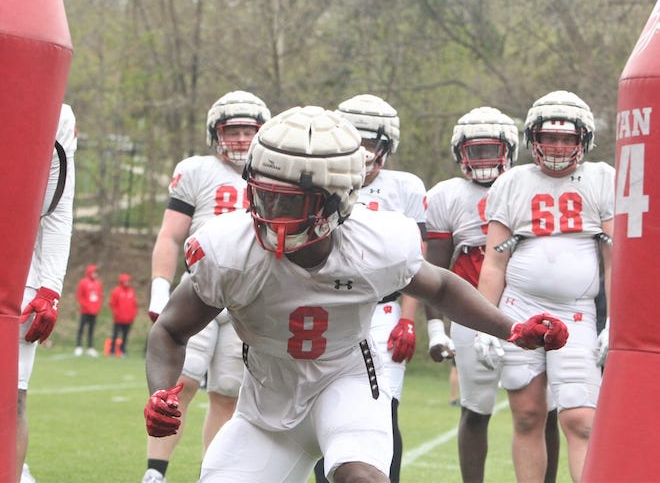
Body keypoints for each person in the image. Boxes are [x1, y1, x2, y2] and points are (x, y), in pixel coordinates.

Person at [143, 105, 569, 483]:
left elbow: (440, 285)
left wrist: (509, 327)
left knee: (360, 476)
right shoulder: (228, 249)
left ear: (335, 203)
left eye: (288, 202)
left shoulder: (374, 244)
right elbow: (170, 331)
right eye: (264, 195)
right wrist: (161, 392)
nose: (270, 214)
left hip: (346, 384)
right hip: (265, 408)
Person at [477, 91, 613, 482]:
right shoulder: (512, 182)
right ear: (532, 138)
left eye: (567, 139)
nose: (557, 146)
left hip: (577, 311)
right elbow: (495, 260)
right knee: (527, 415)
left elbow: (613, 259)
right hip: (520, 307)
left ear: (583, 140)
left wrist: (614, 320)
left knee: (582, 418)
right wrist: (489, 324)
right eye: (549, 137)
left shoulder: (602, 179)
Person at [425, 106, 560, 483]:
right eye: (476, 150)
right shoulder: (446, 195)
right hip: (471, 314)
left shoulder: (530, 184)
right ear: (460, 153)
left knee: (542, 410)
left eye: (492, 150)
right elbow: (433, 270)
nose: (484, 159)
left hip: (526, 307)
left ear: (511, 149)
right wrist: (436, 328)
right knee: (475, 408)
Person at [143, 90, 271, 483]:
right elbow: (170, 235)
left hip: (250, 295)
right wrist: (159, 291)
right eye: (232, 130)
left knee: (229, 396)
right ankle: (155, 473)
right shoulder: (196, 170)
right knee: (178, 386)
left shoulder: (274, 171)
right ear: (215, 133)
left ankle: (211, 475)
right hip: (198, 287)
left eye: (249, 130)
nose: (240, 139)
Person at [312, 93, 427, 483]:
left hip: (383, 308)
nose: (362, 151)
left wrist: (408, 320)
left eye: (370, 142)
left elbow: (418, 263)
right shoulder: (320, 178)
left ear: (387, 145)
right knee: (321, 405)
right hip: (330, 306)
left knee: (384, 408)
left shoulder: (406, 186)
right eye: (353, 140)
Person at [18, 103, 76, 483]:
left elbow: (57, 208)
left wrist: (51, 287)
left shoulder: (56, 113)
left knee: (11, 395)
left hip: (18, 267)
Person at [74, 264, 102, 357]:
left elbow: (99, 297)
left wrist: (97, 307)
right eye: (94, 272)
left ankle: (90, 347)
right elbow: (80, 296)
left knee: (91, 330)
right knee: (81, 328)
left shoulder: (98, 283)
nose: (95, 274)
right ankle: (78, 346)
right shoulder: (83, 282)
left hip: (94, 311)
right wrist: (86, 306)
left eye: (96, 272)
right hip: (85, 311)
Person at [108, 273, 138, 357]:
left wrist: (133, 315)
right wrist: (116, 314)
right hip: (119, 318)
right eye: (126, 281)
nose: (127, 283)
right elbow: (112, 304)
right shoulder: (116, 291)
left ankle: (123, 350)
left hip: (128, 319)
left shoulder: (131, 292)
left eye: (128, 281)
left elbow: (134, 305)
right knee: (115, 335)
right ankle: (112, 350)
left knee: (125, 336)